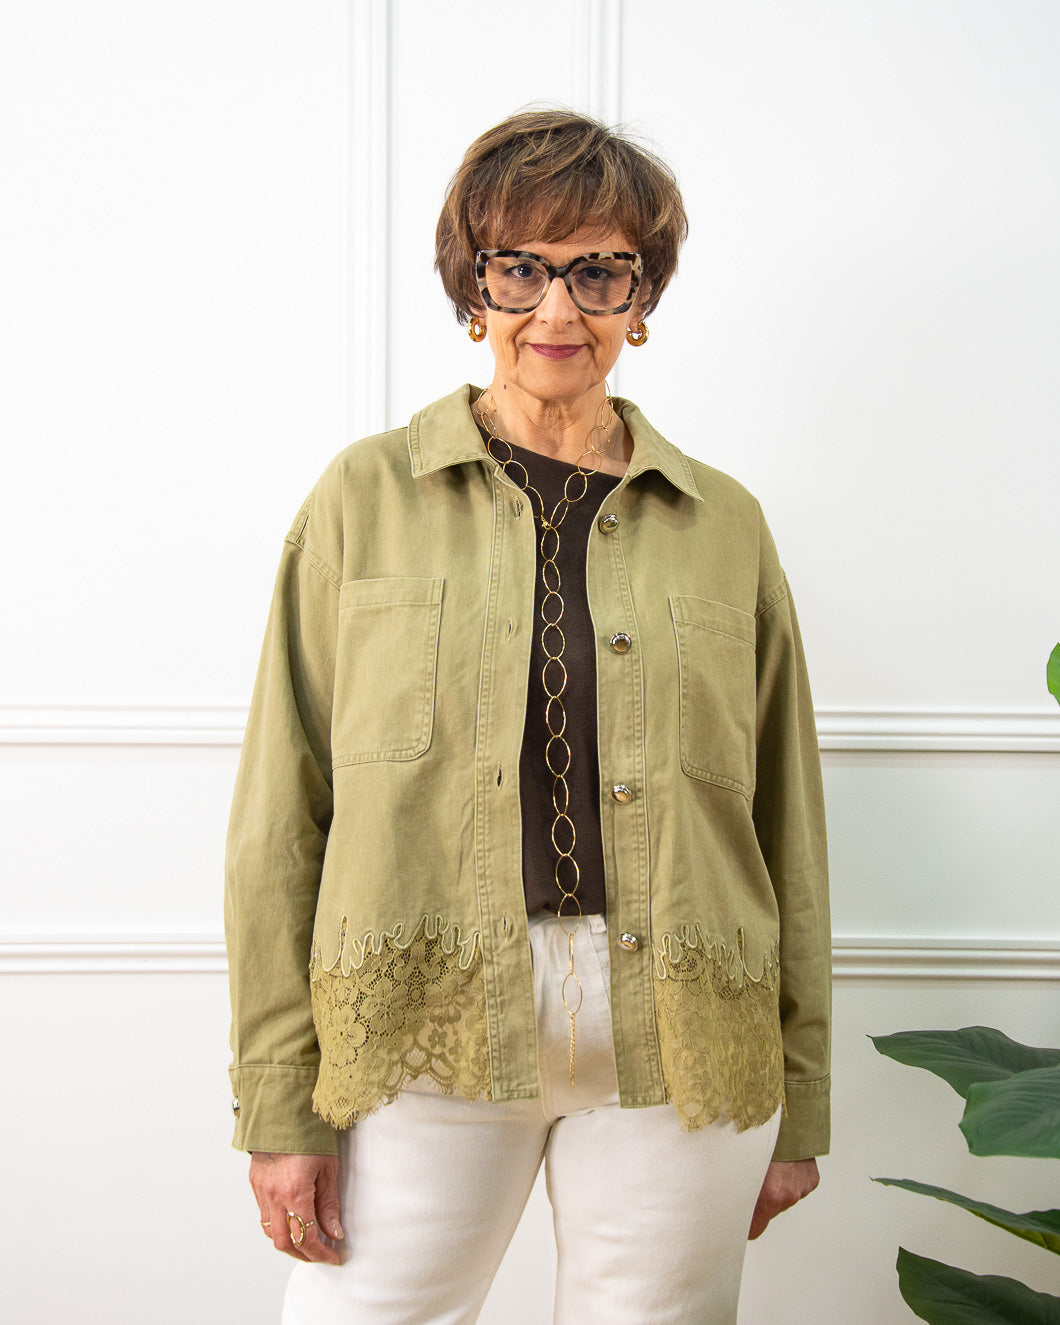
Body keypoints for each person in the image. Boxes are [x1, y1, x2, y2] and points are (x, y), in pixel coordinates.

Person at [225, 108, 830, 1324]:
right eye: (521, 269)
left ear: (640, 295)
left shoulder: (724, 523)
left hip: (684, 1029)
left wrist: (799, 1095)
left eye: (599, 272)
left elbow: (786, 823)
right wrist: (280, 1098)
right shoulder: (363, 497)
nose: (557, 309)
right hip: (425, 1014)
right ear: (475, 285)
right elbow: (282, 814)